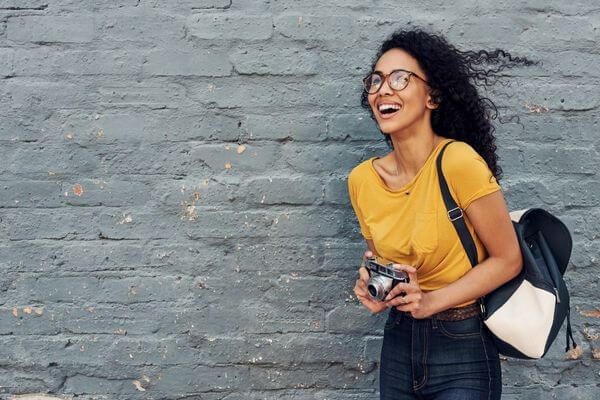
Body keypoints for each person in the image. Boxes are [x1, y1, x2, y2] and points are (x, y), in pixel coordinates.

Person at [348, 28, 534, 400]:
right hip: (399, 341)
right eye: (376, 80)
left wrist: (431, 300)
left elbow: (508, 259)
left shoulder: (458, 163)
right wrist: (374, 285)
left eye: (401, 78)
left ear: (432, 96)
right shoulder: (362, 180)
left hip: (461, 344)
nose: (384, 89)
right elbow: (389, 262)